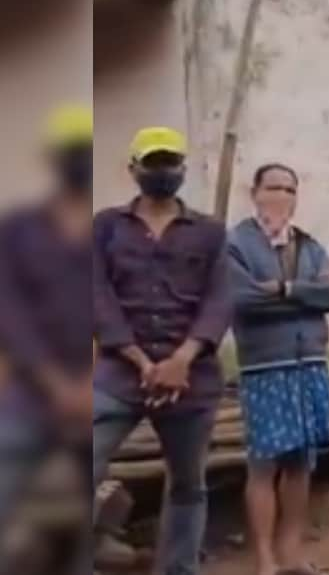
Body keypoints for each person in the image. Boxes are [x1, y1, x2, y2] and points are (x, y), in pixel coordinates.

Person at [93, 126, 232, 575]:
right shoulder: (107, 226)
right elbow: (95, 295)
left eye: (170, 162)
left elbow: (220, 299)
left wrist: (182, 359)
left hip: (191, 378)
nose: (162, 171)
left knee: (188, 483)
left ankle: (178, 569)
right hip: (120, 372)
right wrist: (141, 361)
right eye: (152, 163)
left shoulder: (209, 232)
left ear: (183, 169)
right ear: (133, 169)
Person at [228, 164, 329, 575]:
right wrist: (308, 296)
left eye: (289, 189)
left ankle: (293, 554)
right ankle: (264, 560)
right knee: (264, 464)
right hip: (265, 366)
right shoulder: (234, 245)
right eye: (273, 187)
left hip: (309, 363)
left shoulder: (309, 245)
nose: (281, 196)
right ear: (254, 192)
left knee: (300, 463)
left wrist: (286, 289)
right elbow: (240, 300)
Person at [0, 106, 94, 575]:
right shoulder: (19, 229)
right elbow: (10, 313)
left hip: (96, 400)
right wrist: (58, 385)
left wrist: (92, 385)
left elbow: (119, 311)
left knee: (83, 529)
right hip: (29, 397)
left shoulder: (109, 231)